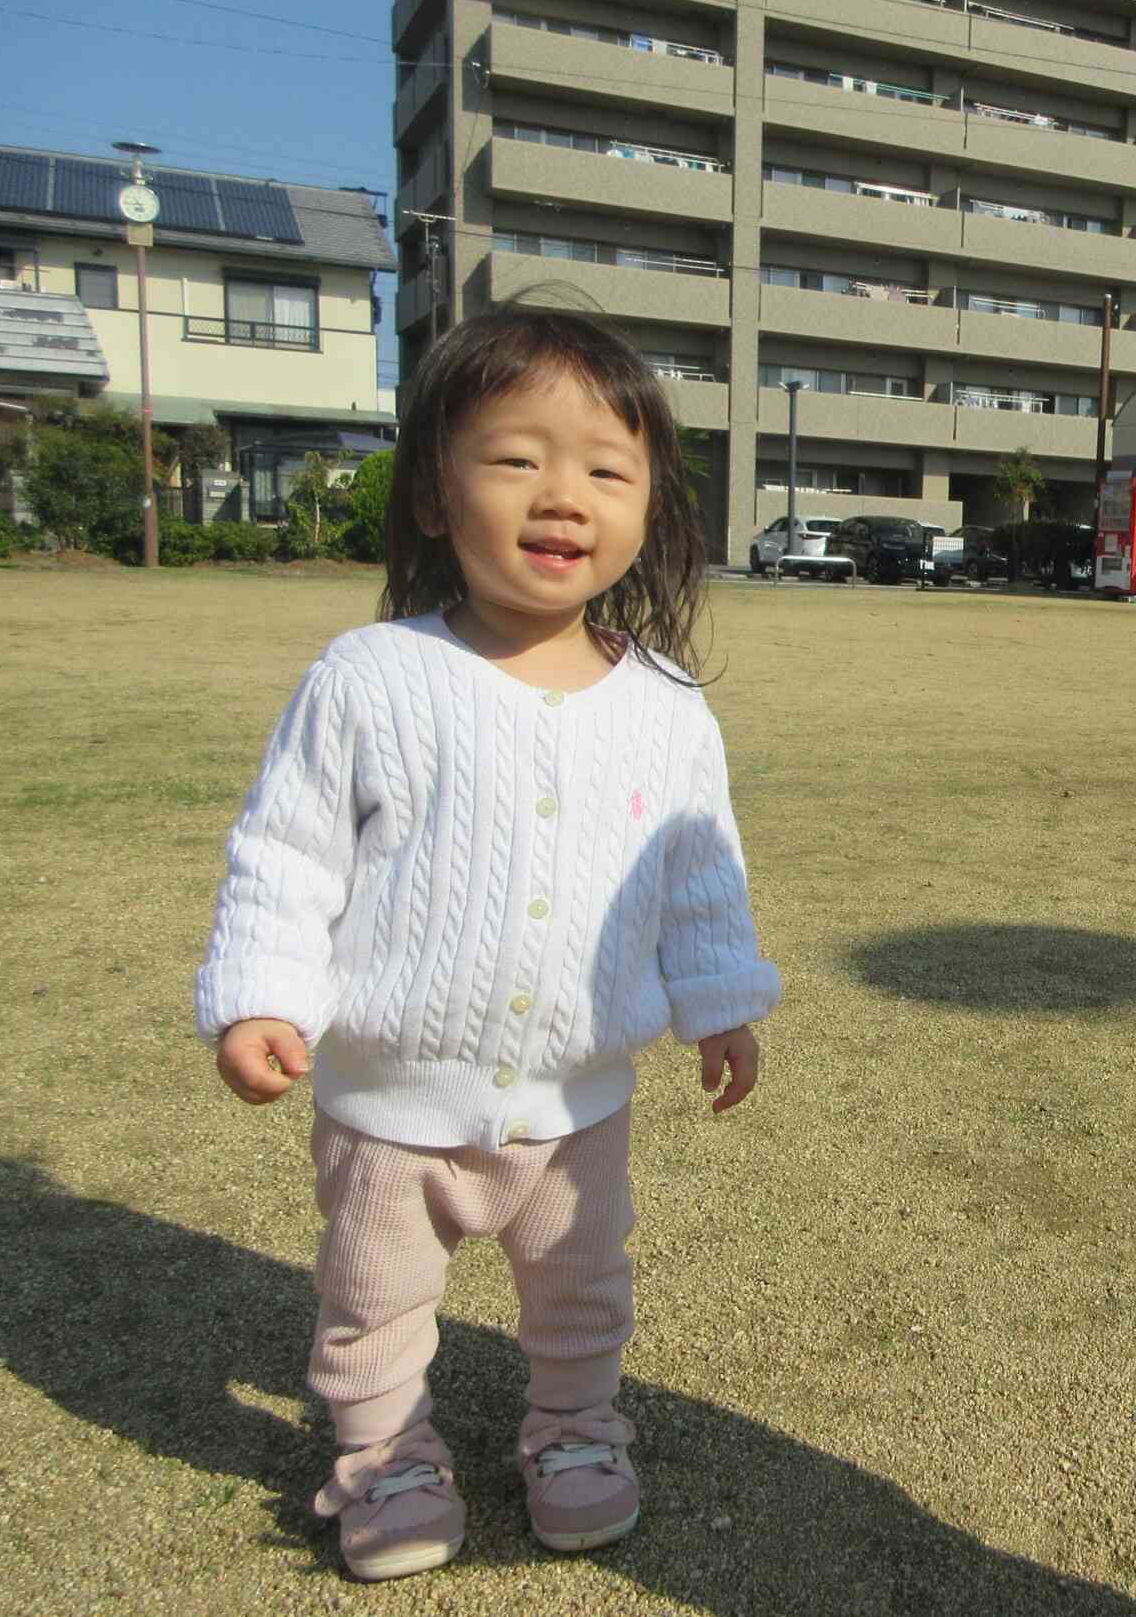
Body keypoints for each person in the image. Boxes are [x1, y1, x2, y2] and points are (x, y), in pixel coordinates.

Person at [196, 305, 781, 1582]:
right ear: (429, 492)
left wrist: (720, 1000)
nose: (561, 493)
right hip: (386, 1099)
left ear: (646, 509)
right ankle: (383, 1457)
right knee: (374, 1301)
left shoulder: (667, 703)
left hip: (577, 1101)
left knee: (579, 1292)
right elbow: (287, 854)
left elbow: (699, 868)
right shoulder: (368, 676)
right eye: (515, 458)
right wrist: (257, 996)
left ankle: (573, 1432)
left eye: (605, 469)